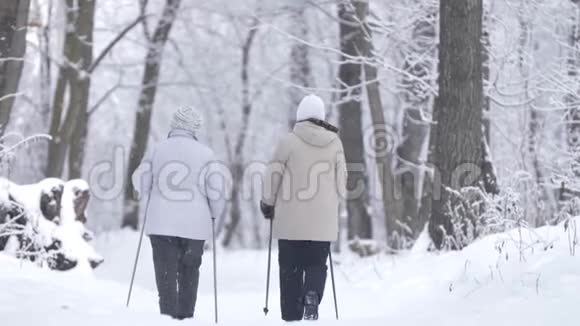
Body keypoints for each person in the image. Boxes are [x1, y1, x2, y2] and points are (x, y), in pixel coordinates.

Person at [132, 107, 226, 320]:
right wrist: (214, 214)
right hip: (195, 227)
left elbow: (140, 181)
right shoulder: (206, 154)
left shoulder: (157, 149)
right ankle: (186, 318)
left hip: (161, 224)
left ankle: (167, 318)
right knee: (189, 273)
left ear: (174, 124)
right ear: (195, 128)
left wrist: (146, 189)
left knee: (165, 277)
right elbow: (217, 193)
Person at [261, 94, 347, 321]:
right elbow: (342, 183)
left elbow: (273, 176)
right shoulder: (335, 142)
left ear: (300, 116)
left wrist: (268, 203)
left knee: (290, 267)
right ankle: (312, 293)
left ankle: (291, 315)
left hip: (291, 222)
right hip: (322, 221)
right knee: (317, 264)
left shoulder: (287, 141)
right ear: (321, 117)